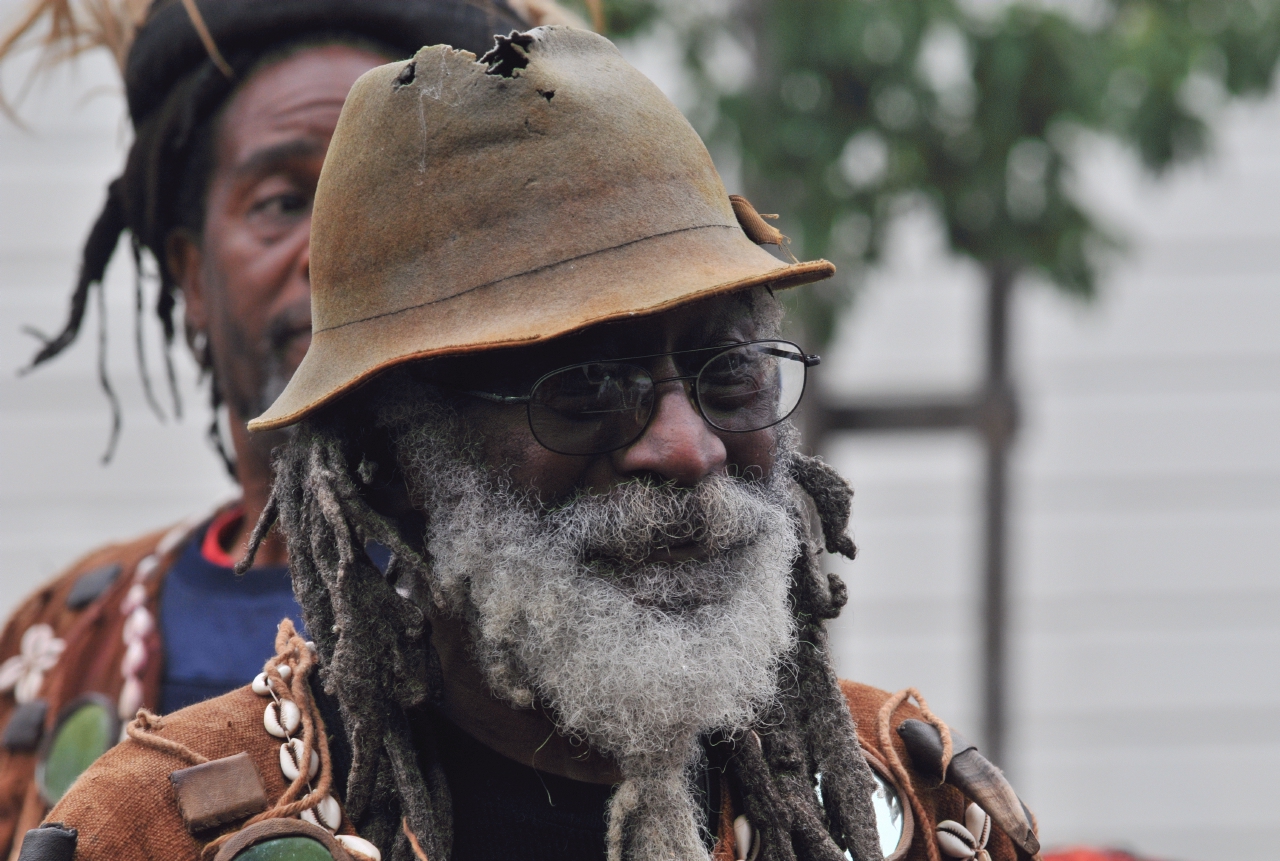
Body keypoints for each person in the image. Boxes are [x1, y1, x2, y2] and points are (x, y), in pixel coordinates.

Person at [37, 27, 1043, 861]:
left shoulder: (904, 807)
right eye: (585, 391)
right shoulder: (155, 834)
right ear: (394, 465)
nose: (687, 449)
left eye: (728, 374)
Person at [0, 0, 577, 855]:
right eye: (280, 201)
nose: (330, 250)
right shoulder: (64, 637)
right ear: (192, 275)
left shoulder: (572, 616)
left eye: (382, 194)